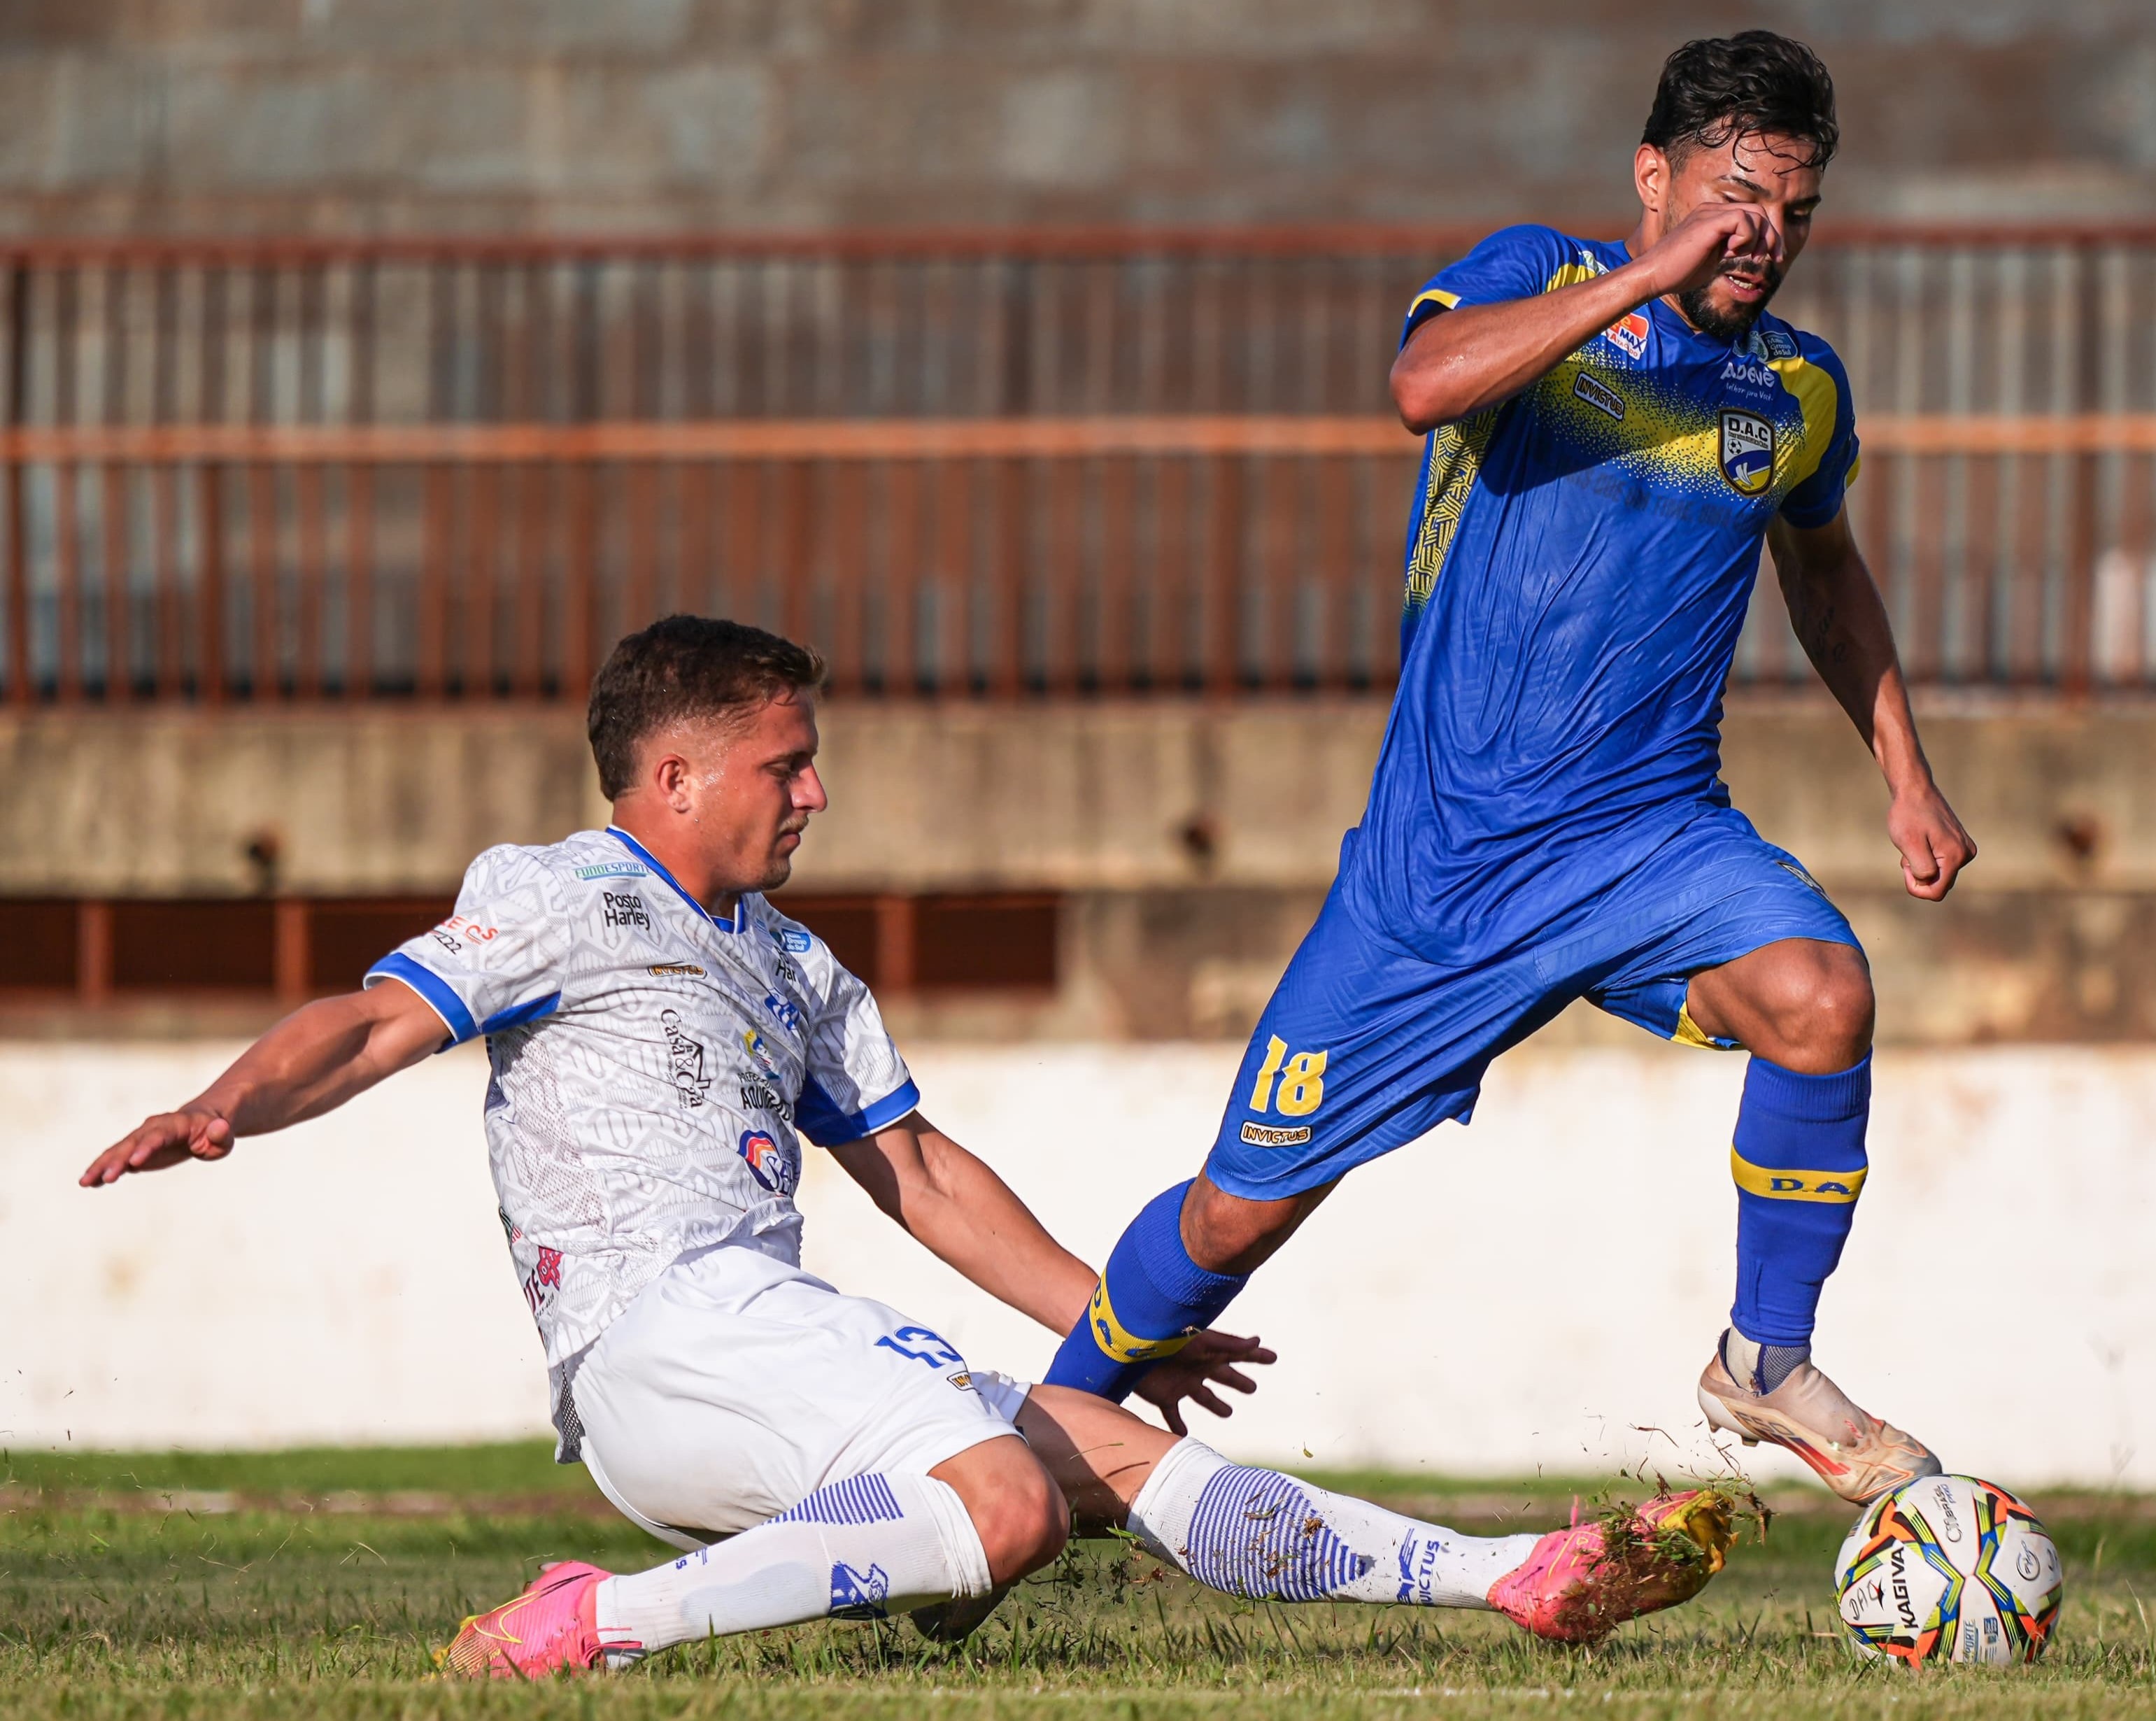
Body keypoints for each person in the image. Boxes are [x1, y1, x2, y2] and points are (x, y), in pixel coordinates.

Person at [78, 616, 1735, 1676]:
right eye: (784, 766)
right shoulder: (562, 893)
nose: (815, 795)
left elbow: (919, 1174)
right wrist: (229, 1103)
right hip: (664, 1340)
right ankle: (591, 1627)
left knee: (1097, 1461)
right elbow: (374, 1021)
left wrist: (1121, 1317)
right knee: (1005, 1510)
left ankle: (1514, 1579)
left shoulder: (797, 967)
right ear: (673, 774)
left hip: (763, 1341)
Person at [1044, 33, 1976, 1506]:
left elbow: (1828, 574)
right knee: (1234, 1216)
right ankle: (1052, 1426)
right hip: (1441, 878)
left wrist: (1905, 773)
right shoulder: (1540, 276)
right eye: (1737, 197)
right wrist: (1637, 281)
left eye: (1794, 211)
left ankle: (1766, 1359)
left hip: (1647, 843)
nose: (1763, 237)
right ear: (1651, 177)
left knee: (1824, 995)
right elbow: (1421, 386)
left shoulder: (1794, 390)